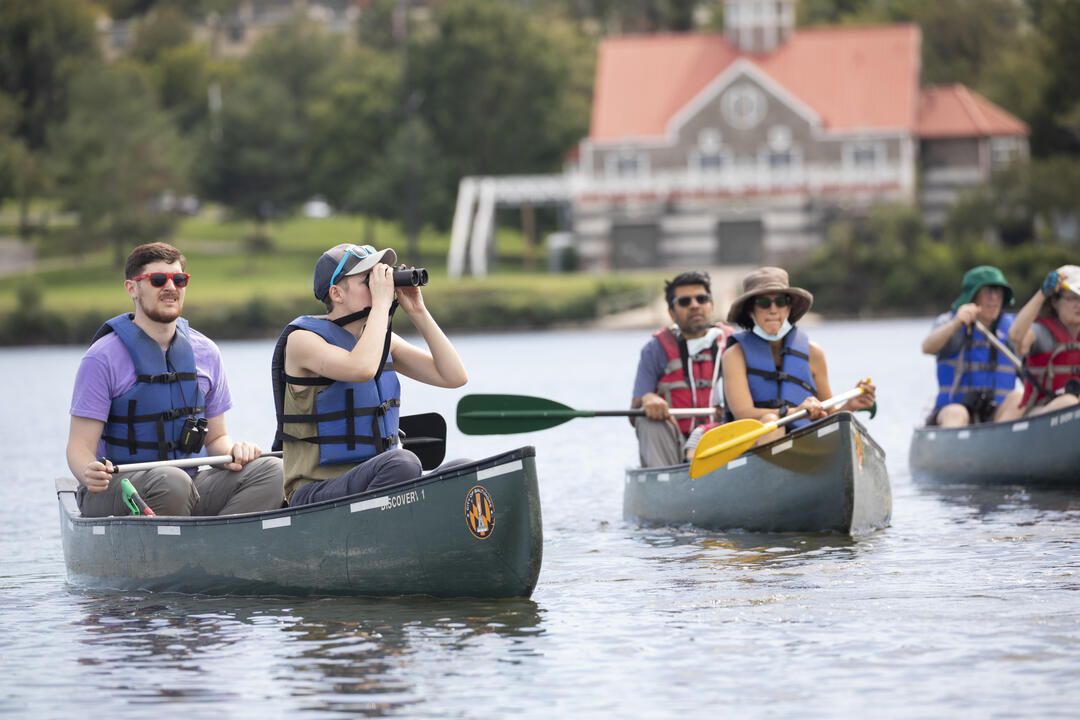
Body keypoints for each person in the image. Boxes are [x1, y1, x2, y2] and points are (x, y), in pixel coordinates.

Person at [67, 242, 284, 517]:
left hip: (188, 484)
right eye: (158, 280)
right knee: (172, 482)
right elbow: (78, 448)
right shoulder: (101, 358)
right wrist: (89, 472)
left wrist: (235, 451)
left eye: (179, 280)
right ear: (132, 288)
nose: (171, 287)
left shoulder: (206, 352)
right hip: (117, 488)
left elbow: (217, 438)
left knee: (273, 471)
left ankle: (222, 548)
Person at [272, 243, 467, 505]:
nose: (380, 284)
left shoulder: (382, 341)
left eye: (382, 274)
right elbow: (361, 368)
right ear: (337, 293)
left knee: (465, 471)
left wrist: (417, 311)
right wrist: (382, 306)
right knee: (404, 462)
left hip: (379, 477)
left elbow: (453, 376)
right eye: (368, 279)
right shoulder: (303, 341)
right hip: (314, 493)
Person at [719, 267, 875, 447]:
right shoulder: (734, 355)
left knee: (841, 424)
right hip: (753, 442)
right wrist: (795, 411)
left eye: (781, 301)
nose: (773, 310)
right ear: (750, 310)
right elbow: (743, 414)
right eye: (763, 303)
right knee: (771, 422)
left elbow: (829, 414)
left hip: (804, 444)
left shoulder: (814, 353)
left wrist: (850, 405)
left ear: (789, 307)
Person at [630, 271, 733, 467]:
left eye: (701, 299)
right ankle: (667, 486)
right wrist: (648, 398)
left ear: (711, 305)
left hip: (724, 439)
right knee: (646, 418)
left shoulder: (734, 344)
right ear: (671, 312)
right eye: (685, 302)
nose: (695, 305)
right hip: (674, 446)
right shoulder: (655, 350)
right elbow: (635, 409)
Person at [921, 265, 1024, 427]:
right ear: (972, 296)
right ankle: (953, 449)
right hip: (954, 411)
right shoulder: (949, 322)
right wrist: (956, 323)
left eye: (998, 292)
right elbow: (927, 347)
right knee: (956, 413)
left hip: (998, 415)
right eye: (988, 292)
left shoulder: (1012, 328)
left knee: (1018, 398)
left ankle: (1000, 443)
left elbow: (1030, 373)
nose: (994, 298)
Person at [1007, 264, 1080, 416]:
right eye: (1072, 298)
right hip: (1039, 413)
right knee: (1069, 402)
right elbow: (1015, 336)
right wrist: (1042, 293)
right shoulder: (1041, 333)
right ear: (1054, 302)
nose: (1078, 305)